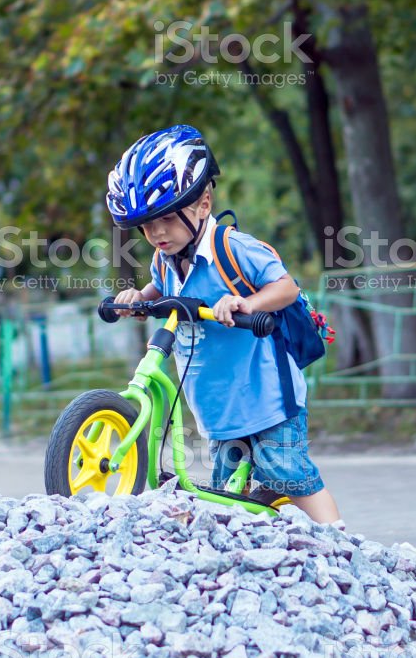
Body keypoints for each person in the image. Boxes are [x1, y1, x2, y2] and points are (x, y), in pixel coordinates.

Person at [107, 124, 343, 526]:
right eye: (146, 227)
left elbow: (285, 287)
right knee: (228, 491)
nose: (156, 234)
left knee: (288, 471)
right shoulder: (165, 258)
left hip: (267, 398)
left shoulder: (232, 248)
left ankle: (341, 541)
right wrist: (138, 300)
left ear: (202, 203)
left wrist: (245, 302)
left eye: (165, 219)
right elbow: (160, 289)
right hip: (218, 405)